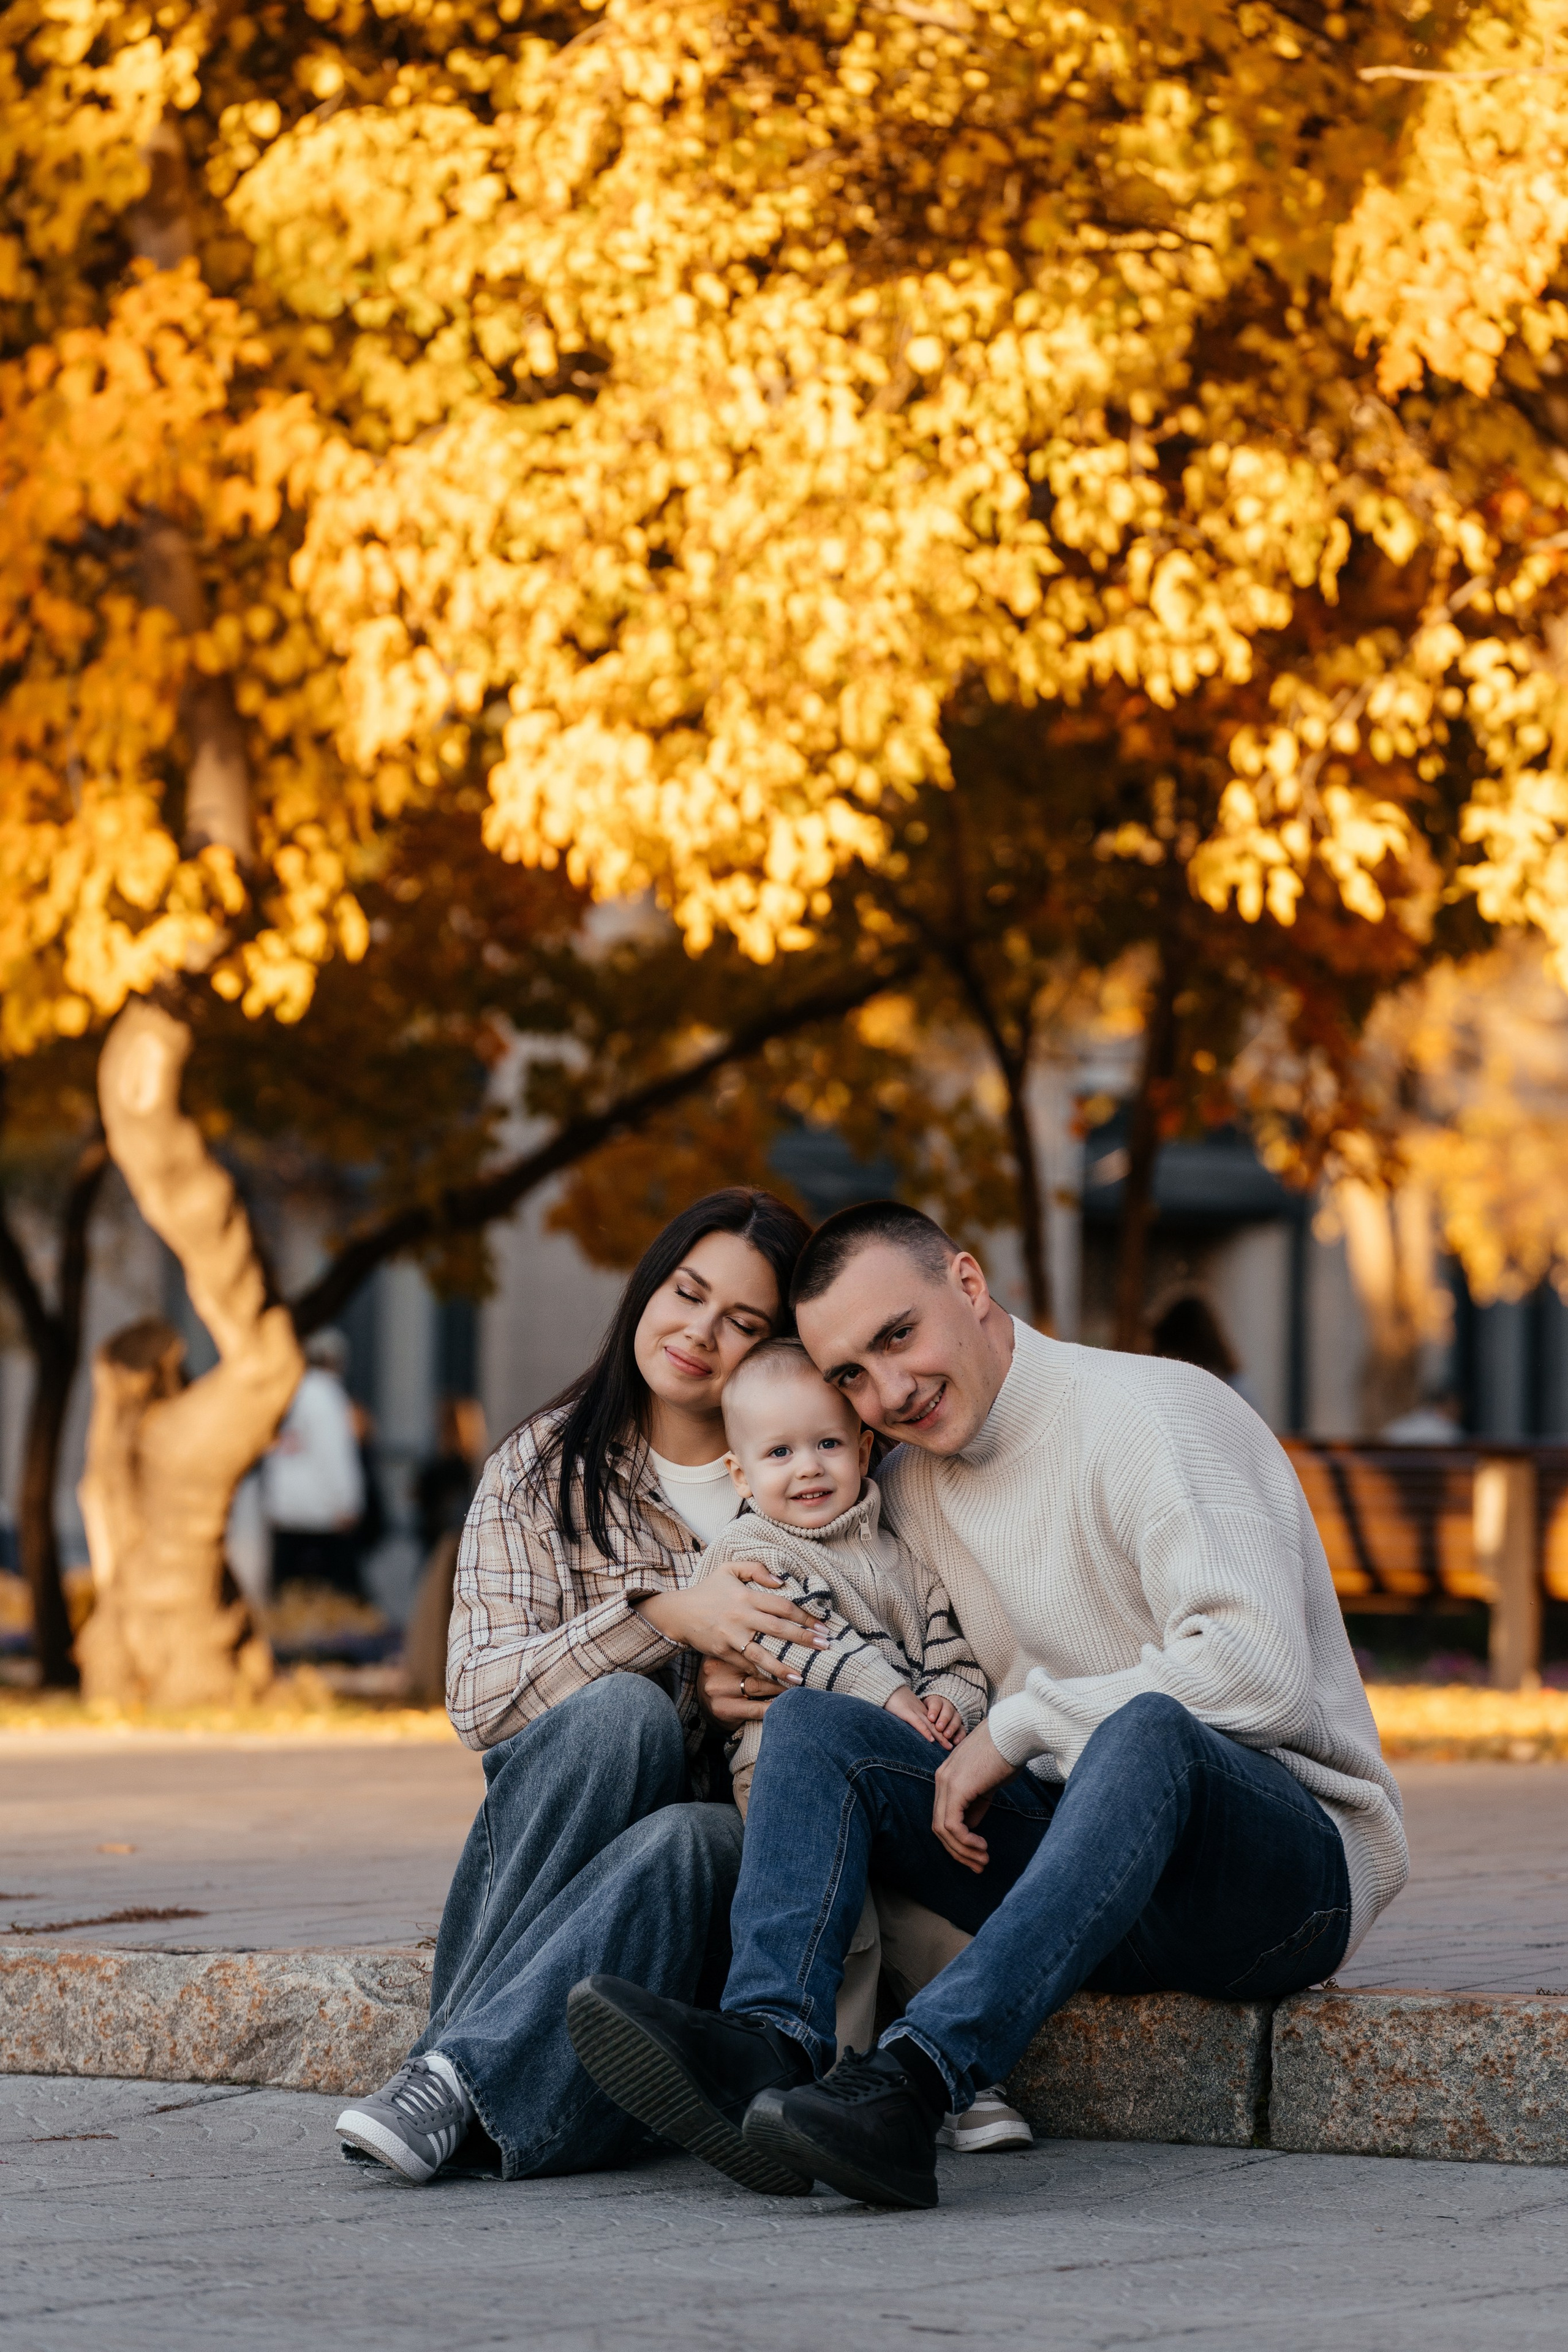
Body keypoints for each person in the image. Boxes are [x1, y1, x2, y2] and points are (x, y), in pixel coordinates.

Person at [567, 1199, 1409, 2209]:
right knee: (817, 1727)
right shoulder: (913, 1486)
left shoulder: (1154, 1415)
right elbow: (858, 1630)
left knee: (1146, 1734)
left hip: (1279, 1876)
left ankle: (912, 2085)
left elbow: (1258, 1669)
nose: (889, 1390)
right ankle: (769, 2042)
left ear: (968, 1285)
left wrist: (1016, 1725)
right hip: (1081, 1864)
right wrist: (723, 1648)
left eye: (899, 1335)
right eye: (850, 1376)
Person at [334, 1188, 820, 2187]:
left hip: (686, 1910)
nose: (699, 1333)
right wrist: (657, 1618)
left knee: (705, 1838)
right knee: (618, 1719)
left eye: (744, 1323)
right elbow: (476, 1702)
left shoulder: (804, 1477)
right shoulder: (540, 1468)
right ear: (650, 1285)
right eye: (687, 1293)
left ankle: (451, 2075)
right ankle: (479, 2077)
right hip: (540, 1863)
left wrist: (751, 1706)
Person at [697, 1335, 1031, 2157]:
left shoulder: (898, 1551)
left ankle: (958, 2079)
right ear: (740, 1475)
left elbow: (952, 1653)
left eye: (827, 1445)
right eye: (778, 1453)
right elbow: (804, 1647)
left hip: (892, 1774)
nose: (806, 1468)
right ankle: (815, 2089)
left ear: (863, 1450)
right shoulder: (748, 1554)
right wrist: (892, 1698)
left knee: (929, 1924)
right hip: (787, 1781)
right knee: (849, 1930)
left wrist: (950, 1708)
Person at [262, 1328, 365, 1596]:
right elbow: (333, 1453)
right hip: (321, 1517)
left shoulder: (287, 1392)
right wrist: (346, 1502)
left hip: (285, 1512)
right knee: (328, 1603)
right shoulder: (325, 1393)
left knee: (287, 1598)